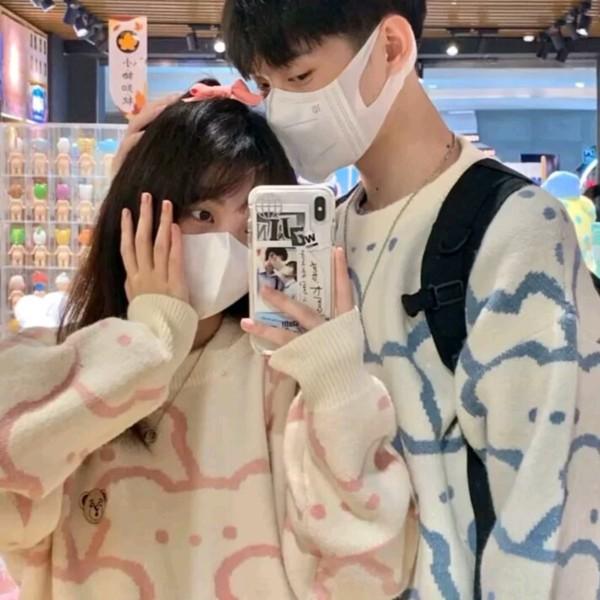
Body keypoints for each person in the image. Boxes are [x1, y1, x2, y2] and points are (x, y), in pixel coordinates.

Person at [222, 1, 600, 599]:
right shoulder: (324, 236)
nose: (283, 109)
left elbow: (546, 506)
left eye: (299, 76)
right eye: (267, 88)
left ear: (392, 47)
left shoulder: (515, 230)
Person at [0, 80, 415, 600]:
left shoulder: (279, 374)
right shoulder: (64, 362)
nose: (225, 246)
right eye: (202, 215)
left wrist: (336, 381)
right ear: (139, 212)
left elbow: (365, 574)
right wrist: (152, 341)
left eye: (251, 228)